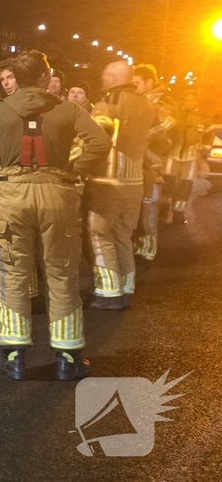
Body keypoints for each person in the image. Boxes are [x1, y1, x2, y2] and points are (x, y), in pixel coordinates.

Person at [0, 50, 111, 381]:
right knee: (62, 273)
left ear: (18, 78)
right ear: (43, 77)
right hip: (58, 195)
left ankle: (14, 355)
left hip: (13, 196)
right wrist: (72, 170)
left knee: (13, 274)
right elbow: (99, 143)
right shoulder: (68, 109)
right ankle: (67, 356)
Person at [87, 61, 173, 309]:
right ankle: (126, 287)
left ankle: (107, 292)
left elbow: (96, 138)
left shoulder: (109, 101)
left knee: (99, 235)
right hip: (136, 182)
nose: (102, 80)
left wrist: (76, 165)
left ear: (113, 79)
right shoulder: (148, 104)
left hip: (106, 181)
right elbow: (169, 133)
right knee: (123, 236)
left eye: (105, 76)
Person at [131, 64, 177, 258]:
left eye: (137, 83)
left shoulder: (161, 101)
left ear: (150, 82)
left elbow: (168, 128)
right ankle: (138, 242)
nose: (134, 87)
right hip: (136, 159)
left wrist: (145, 136)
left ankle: (149, 245)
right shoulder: (138, 100)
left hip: (151, 161)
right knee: (136, 204)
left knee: (149, 203)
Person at [163, 89, 216, 225]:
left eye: (191, 100)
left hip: (191, 157)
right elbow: (165, 130)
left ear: (196, 101)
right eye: (186, 100)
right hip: (173, 155)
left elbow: (209, 135)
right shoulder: (175, 114)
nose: (189, 103)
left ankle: (178, 215)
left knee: (185, 187)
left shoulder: (203, 117)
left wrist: (204, 150)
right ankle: (162, 209)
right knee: (167, 185)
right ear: (182, 101)